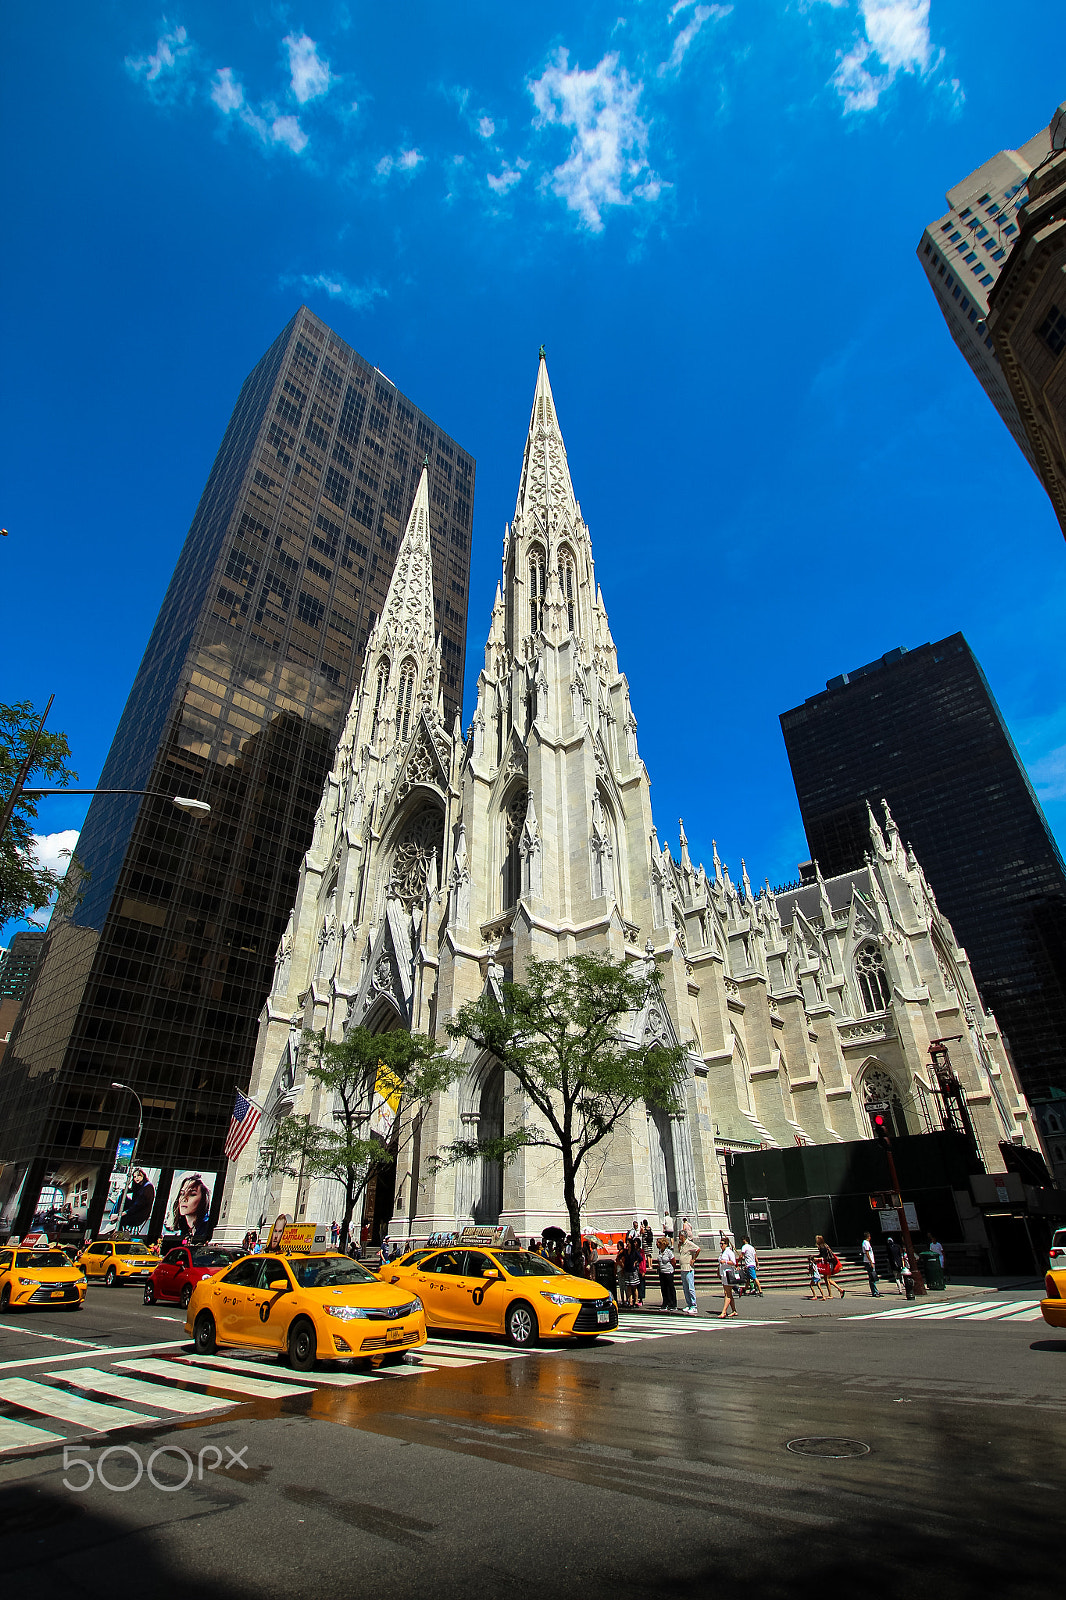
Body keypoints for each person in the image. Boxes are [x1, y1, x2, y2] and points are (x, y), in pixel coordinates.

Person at [171, 1174, 212, 1241]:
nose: (184, 1199)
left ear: (204, 1198)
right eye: (182, 1194)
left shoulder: (207, 1228)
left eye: (192, 1195)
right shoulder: (181, 1229)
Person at [815, 1234, 845, 1299]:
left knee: (827, 1279)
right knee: (827, 1279)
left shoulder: (822, 1247)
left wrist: (816, 1259)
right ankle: (839, 1290)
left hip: (828, 1264)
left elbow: (824, 1257)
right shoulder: (825, 1245)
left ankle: (831, 1294)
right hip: (830, 1263)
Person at [677, 1230, 700, 1315]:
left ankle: (694, 1306)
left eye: (680, 1236)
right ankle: (689, 1304)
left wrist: (693, 1259)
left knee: (690, 1287)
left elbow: (698, 1249)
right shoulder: (682, 1245)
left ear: (683, 1236)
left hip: (688, 1268)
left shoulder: (689, 1243)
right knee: (685, 1287)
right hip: (683, 1268)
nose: (679, 1237)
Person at [718, 1234, 738, 1319]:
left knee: (728, 1294)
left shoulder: (729, 1251)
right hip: (723, 1274)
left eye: (722, 1244)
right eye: (720, 1244)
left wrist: (725, 1262)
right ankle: (734, 1310)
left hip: (728, 1274)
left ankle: (724, 1312)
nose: (721, 1245)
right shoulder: (722, 1252)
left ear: (726, 1244)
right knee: (727, 1293)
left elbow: (733, 1262)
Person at [656, 1236, 677, 1311]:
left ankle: (673, 1304)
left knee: (670, 1288)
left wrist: (672, 1269)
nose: (656, 1245)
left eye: (658, 1243)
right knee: (663, 1288)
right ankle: (665, 1303)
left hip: (668, 1272)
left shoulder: (668, 1252)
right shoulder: (660, 1252)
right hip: (662, 1272)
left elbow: (673, 1261)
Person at [861, 1232, 880, 1297]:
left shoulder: (866, 1243)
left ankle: (875, 1291)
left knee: (872, 1276)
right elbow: (867, 1252)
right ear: (868, 1237)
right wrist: (871, 1262)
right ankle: (875, 1292)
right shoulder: (866, 1243)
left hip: (869, 1261)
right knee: (872, 1276)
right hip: (868, 1261)